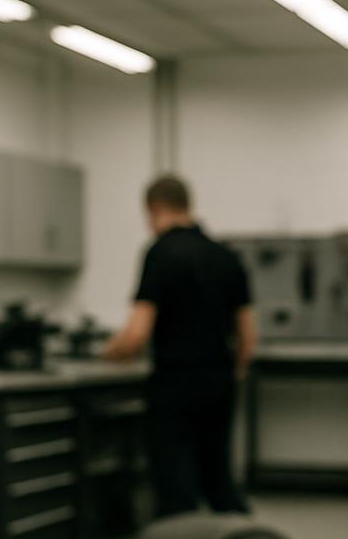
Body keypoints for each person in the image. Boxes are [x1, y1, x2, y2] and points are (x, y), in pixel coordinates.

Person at [104, 174, 256, 517]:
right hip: (219, 381)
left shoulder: (159, 254)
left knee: (176, 486)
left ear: (155, 208)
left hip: (174, 384)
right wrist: (231, 376)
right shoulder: (226, 257)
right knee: (219, 478)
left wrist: (110, 352)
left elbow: (137, 334)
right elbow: (248, 339)